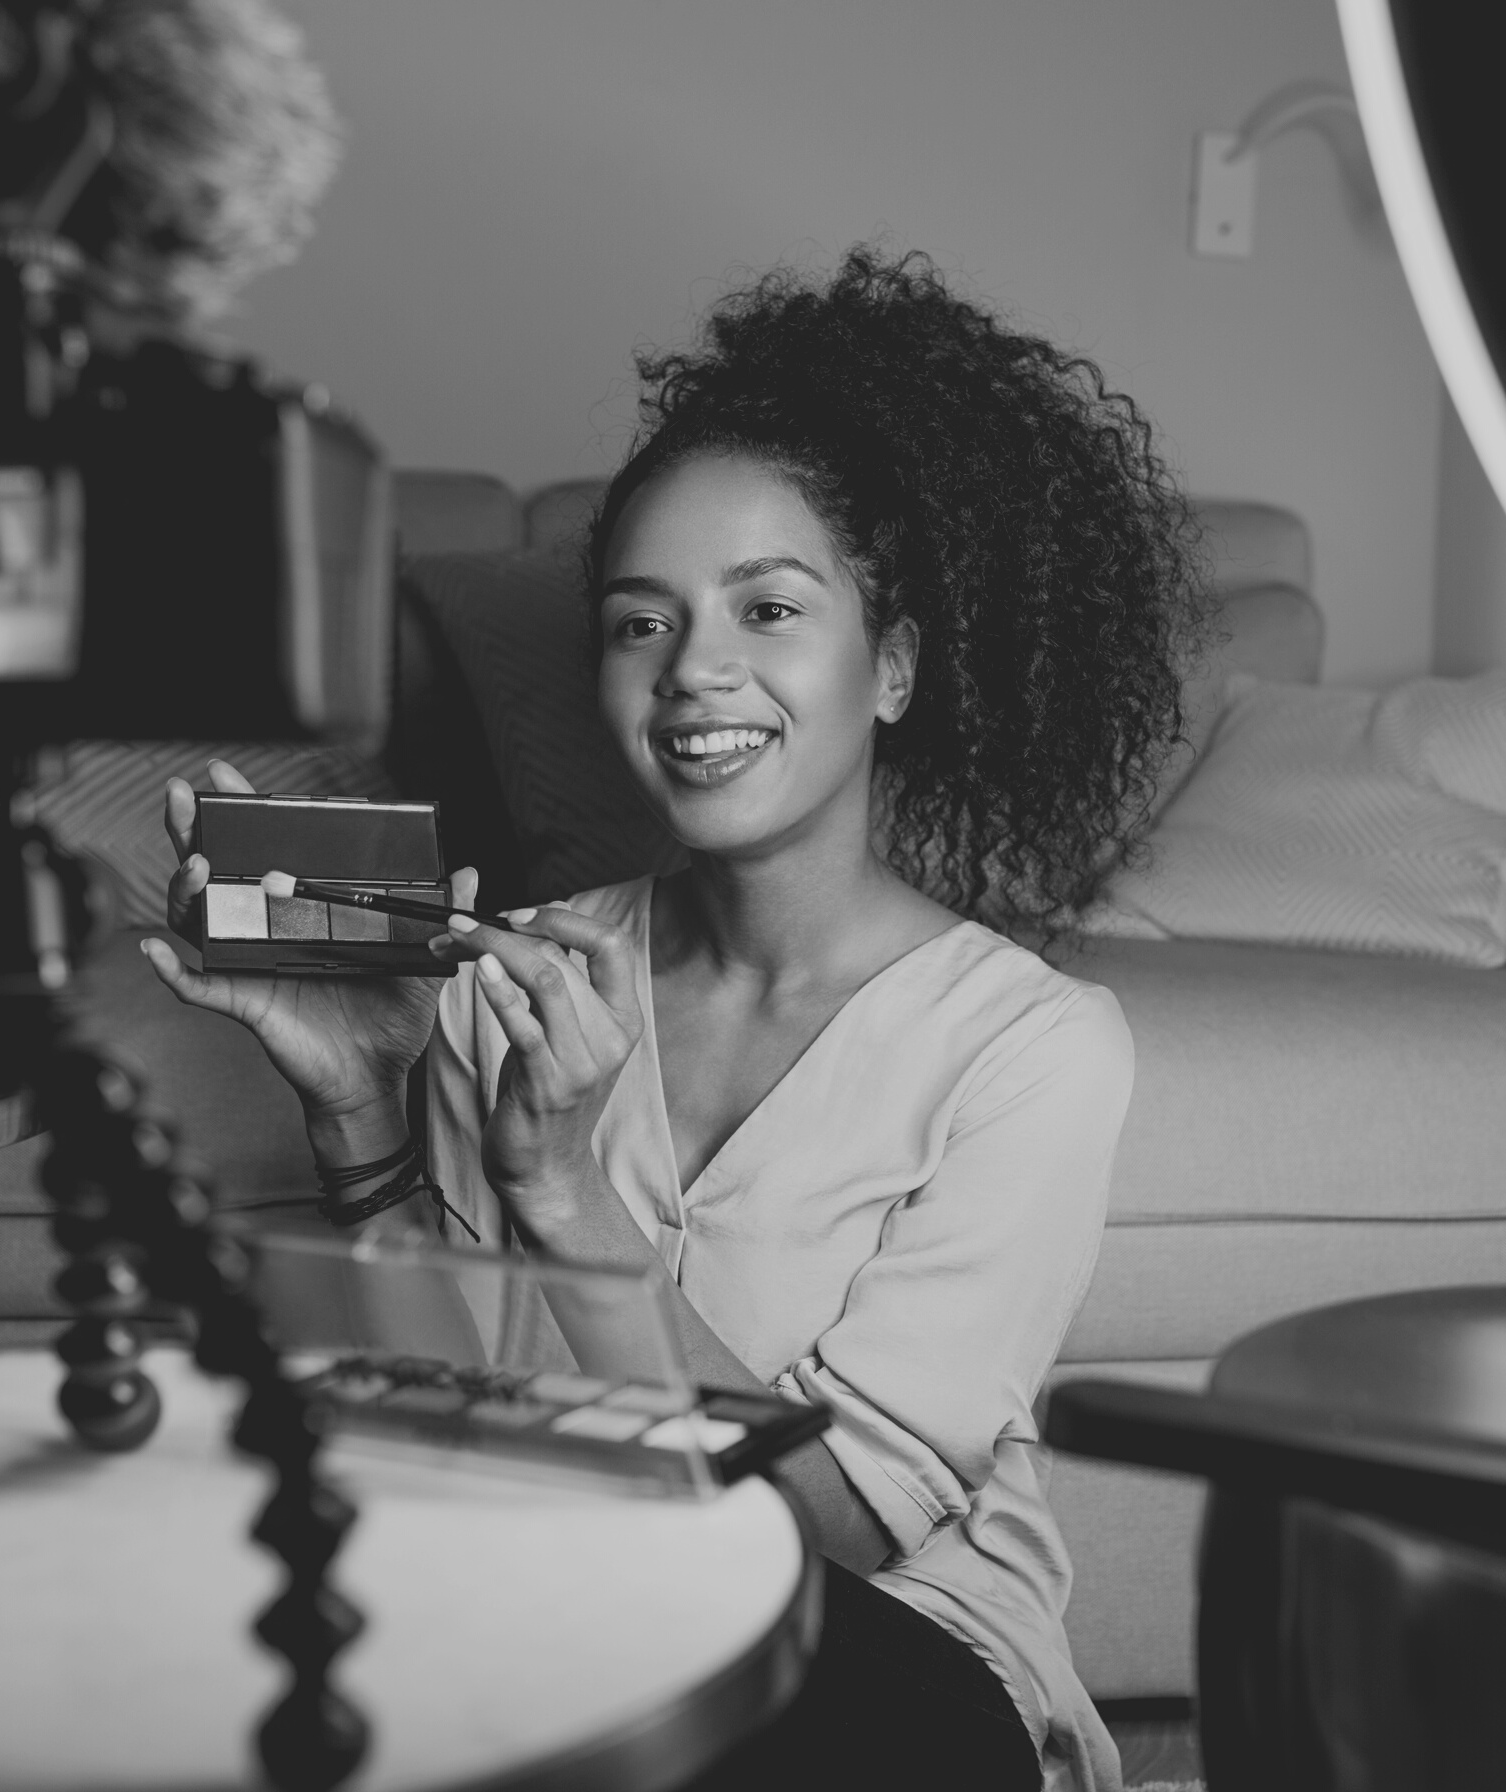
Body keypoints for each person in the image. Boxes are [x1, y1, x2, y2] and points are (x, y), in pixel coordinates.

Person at [143, 246, 1208, 1792]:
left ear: (892, 664)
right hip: (560, 1617)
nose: (697, 669)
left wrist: (571, 1198)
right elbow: (436, 1438)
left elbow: (837, 1523)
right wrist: (360, 1112)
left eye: (769, 608)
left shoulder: (1029, 1048)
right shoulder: (524, 982)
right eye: (641, 624)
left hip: (887, 1663)